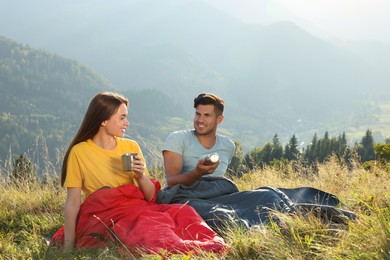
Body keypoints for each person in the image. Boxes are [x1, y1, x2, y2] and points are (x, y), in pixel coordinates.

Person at [51, 91, 229, 255]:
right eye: (122, 118)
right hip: (105, 213)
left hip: (138, 207)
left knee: (184, 212)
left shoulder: (131, 146)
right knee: (150, 228)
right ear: (103, 120)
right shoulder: (80, 152)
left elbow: (150, 195)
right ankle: (187, 249)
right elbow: (73, 203)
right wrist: (68, 247)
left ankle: (202, 246)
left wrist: (140, 175)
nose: (126, 123)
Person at [158, 93, 356, 230]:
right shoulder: (178, 139)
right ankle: (268, 228)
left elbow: (222, 183)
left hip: (221, 193)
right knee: (222, 215)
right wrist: (198, 173)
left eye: (207, 115)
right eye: (197, 114)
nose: (200, 120)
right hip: (186, 197)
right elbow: (173, 181)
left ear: (219, 119)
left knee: (267, 196)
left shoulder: (227, 145)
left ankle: (324, 216)